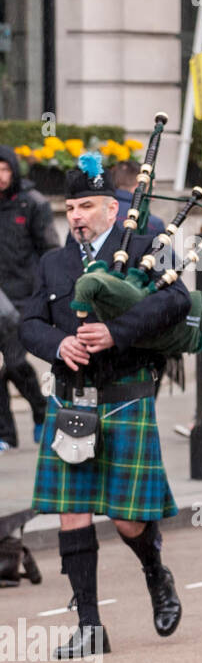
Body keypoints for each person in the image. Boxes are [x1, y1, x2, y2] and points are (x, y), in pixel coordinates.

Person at [20, 157, 189, 658]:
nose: (76, 216)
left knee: (127, 519)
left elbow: (177, 302)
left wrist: (118, 331)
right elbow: (28, 322)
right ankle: (90, 625)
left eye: (87, 206)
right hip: (72, 399)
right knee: (72, 512)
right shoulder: (53, 262)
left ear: (112, 208)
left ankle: (155, 571)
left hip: (125, 395)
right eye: (70, 207)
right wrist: (56, 345)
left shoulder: (141, 248)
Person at [0, 144, 59, 450]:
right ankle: (5, 433)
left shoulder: (32, 204)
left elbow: (50, 250)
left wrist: (48, 291)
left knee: (13, 362)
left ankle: (40, 410)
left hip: (23, 297)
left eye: (4, 169)